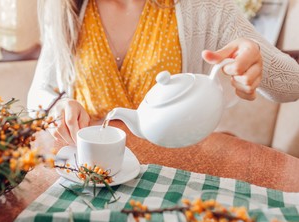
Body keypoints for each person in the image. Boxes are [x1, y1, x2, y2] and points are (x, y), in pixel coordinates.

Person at [27, 0, 299, 145]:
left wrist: (256, 60)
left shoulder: (207, 8)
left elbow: (293, 85)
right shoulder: (66, 9)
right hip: (93, 165)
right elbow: (40, 94)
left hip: (178, 165)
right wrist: (58, 107)